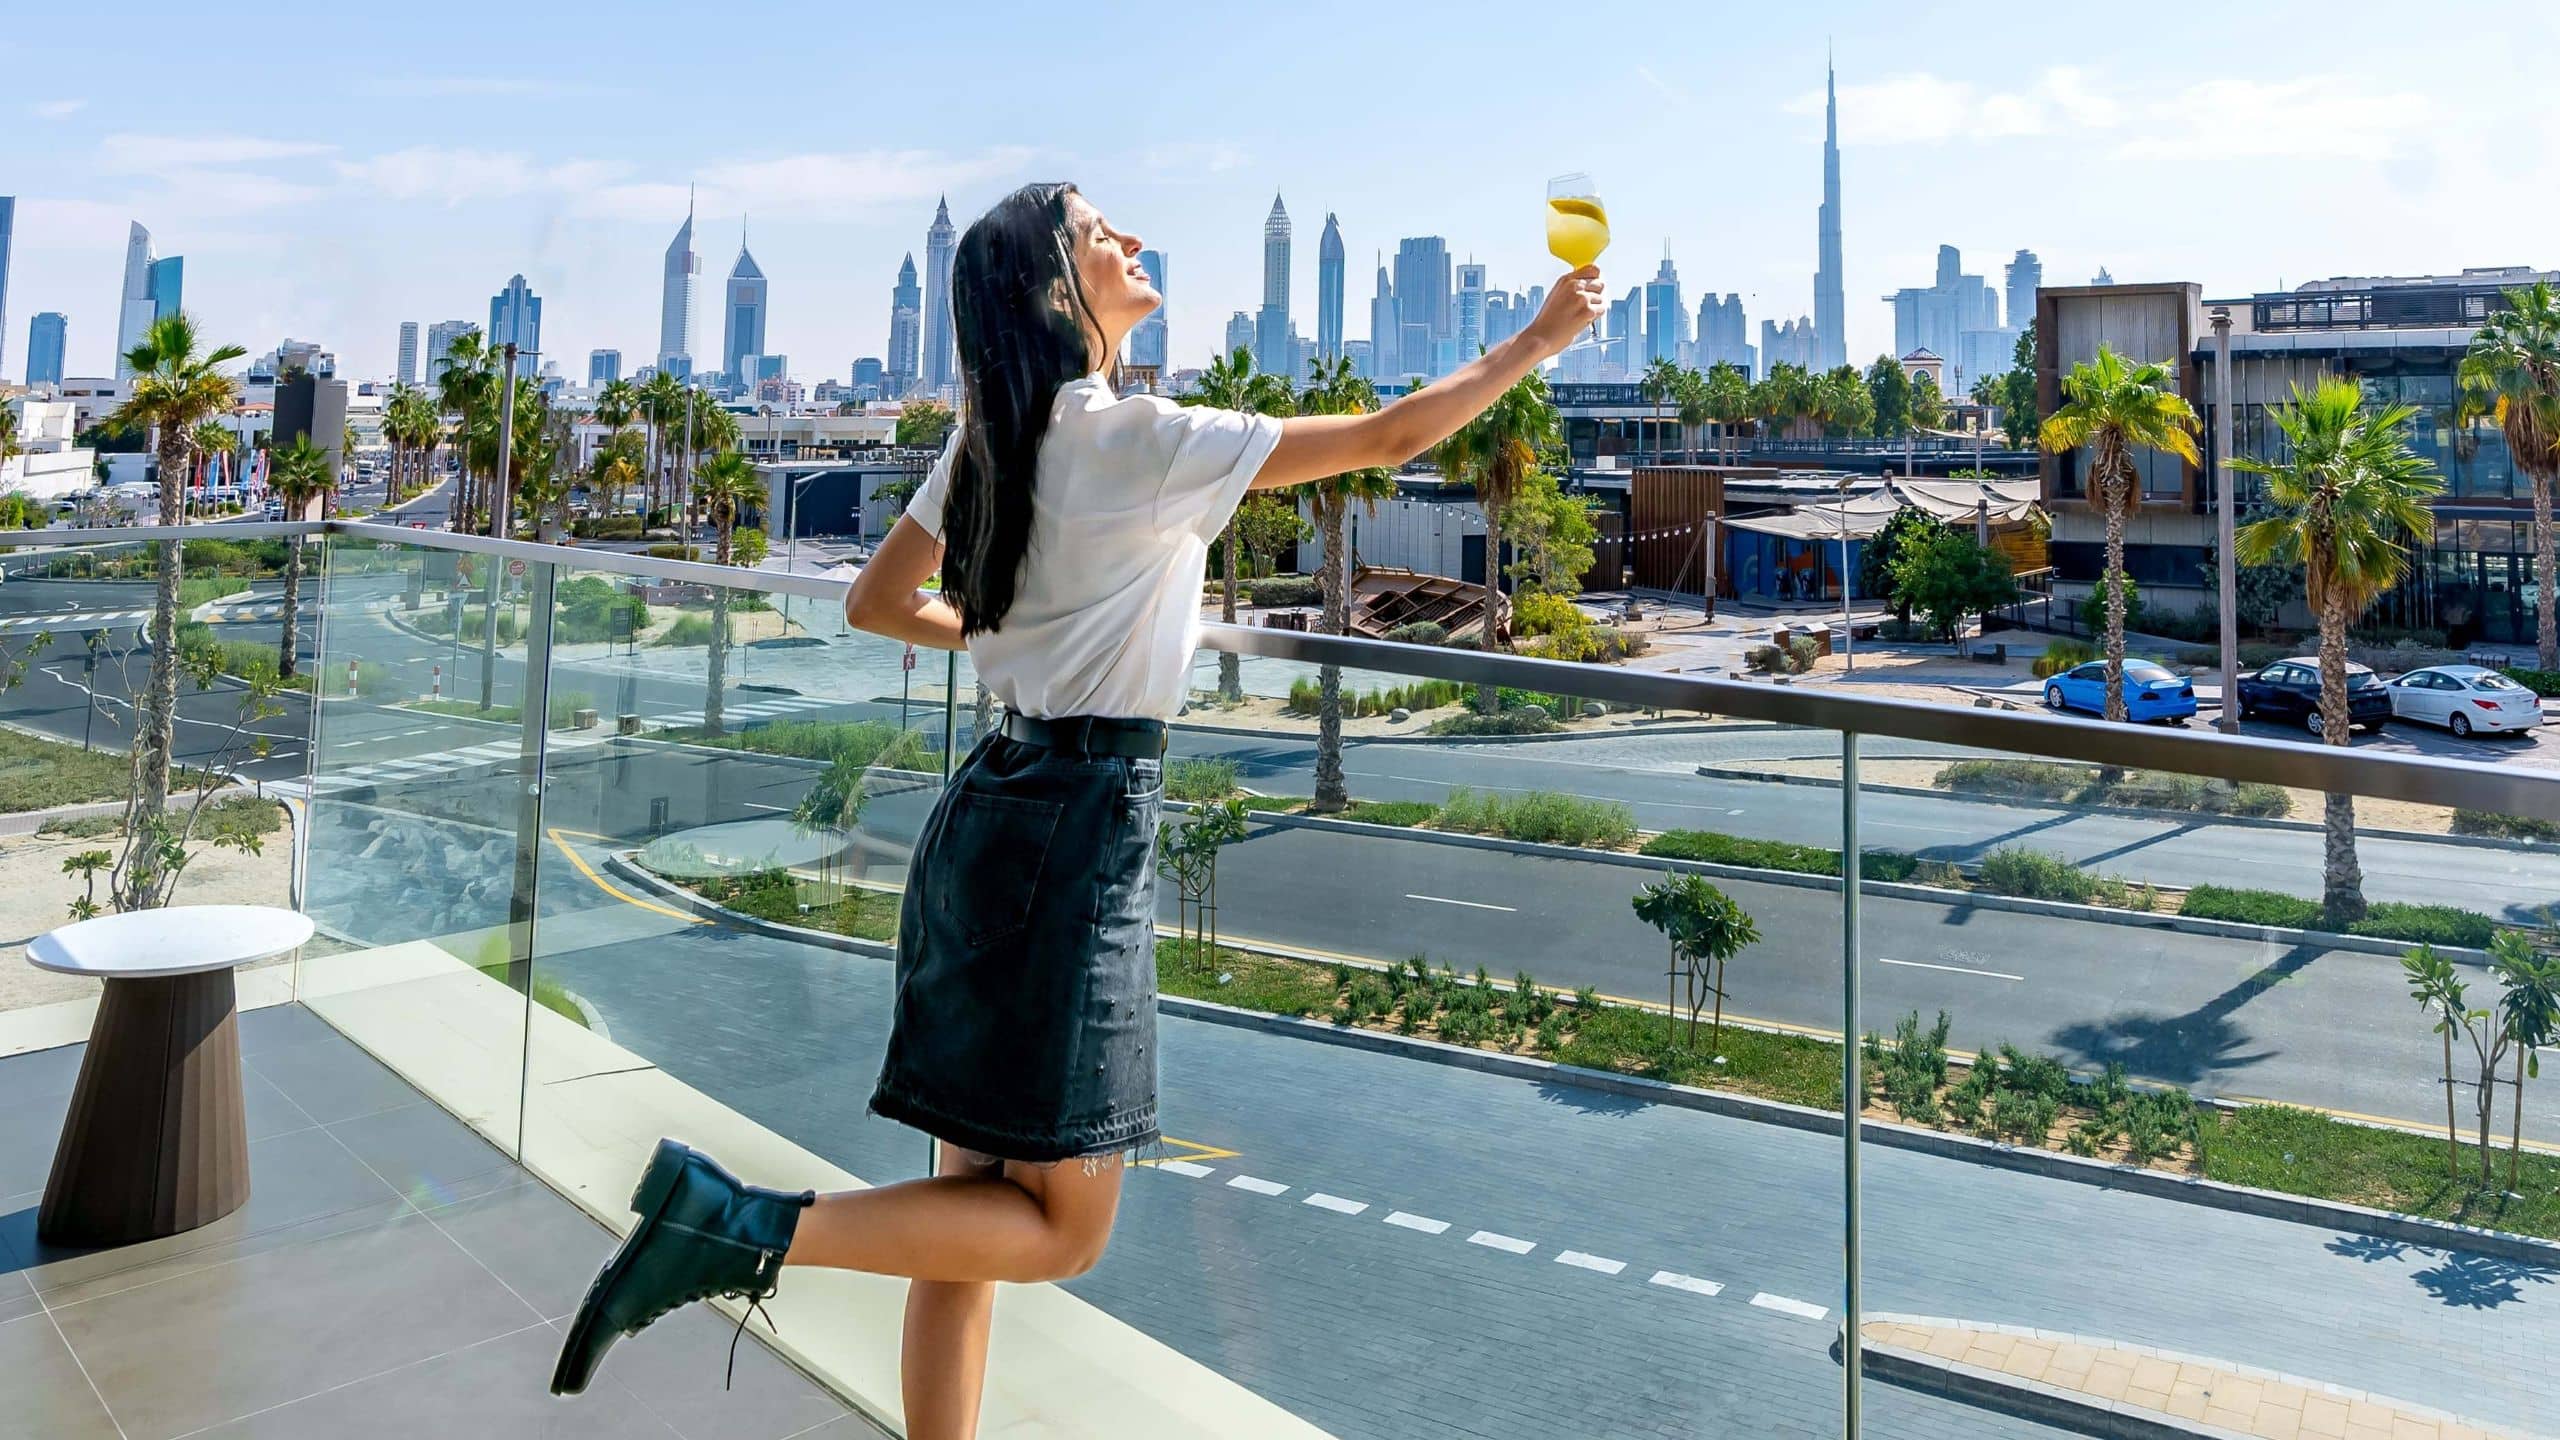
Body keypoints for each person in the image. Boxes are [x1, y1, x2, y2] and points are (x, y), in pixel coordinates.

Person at [551, 182, 1604, 1437]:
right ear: (1058, 288)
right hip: (1081, 827)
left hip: (991, 805)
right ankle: (729, 1226)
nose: (1137, 241)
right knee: (1061, 1228)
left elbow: (880, 602)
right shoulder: (1135, 437)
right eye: (1106, 234)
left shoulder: (992, 435)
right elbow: (1387, 439)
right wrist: (1539, 340)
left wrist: (1015, 650)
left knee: (964, 1230)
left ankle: (748, 1251)